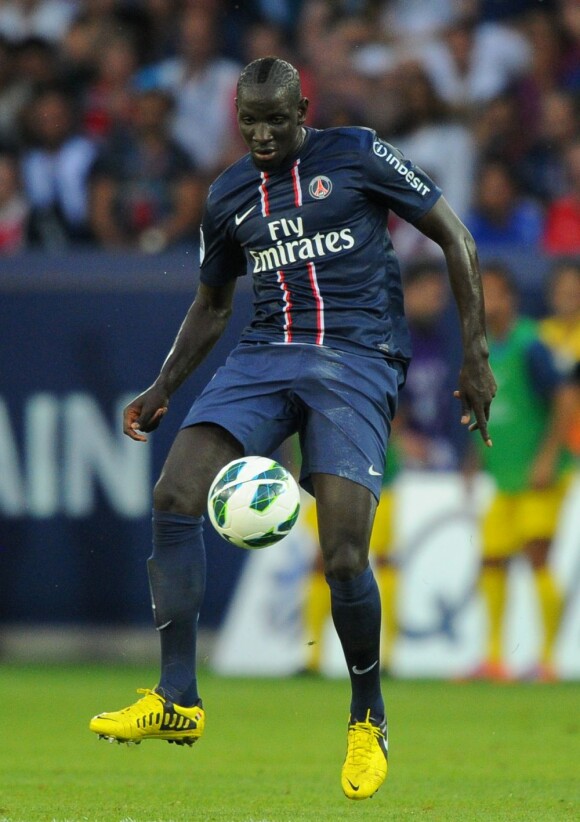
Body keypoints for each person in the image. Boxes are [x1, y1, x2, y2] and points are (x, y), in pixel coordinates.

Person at [89, 57, 496, 802]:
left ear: (303, 107)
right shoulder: (227, 196)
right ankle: (177, 698)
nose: (265, 134)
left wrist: (475, 353)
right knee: (176, 491)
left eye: (278, 119)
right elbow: (213, 305)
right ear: (236, 119)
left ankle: (367, 718)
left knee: (343, 553)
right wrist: (162, 385)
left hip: (358, 357)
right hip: (265, 354)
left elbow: (456, 238)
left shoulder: (359, 153)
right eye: (251, 122)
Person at [473, 263, 575, 683]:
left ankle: (548, 660)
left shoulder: (531, 344)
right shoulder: (483, 348)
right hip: (505, 473)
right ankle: (495, 659)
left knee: (537, 556)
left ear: (511, 298)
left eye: (493, 293)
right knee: (492, 559)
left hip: (539, 474)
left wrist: (547, 457)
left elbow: (567, 398)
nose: (484, 302)